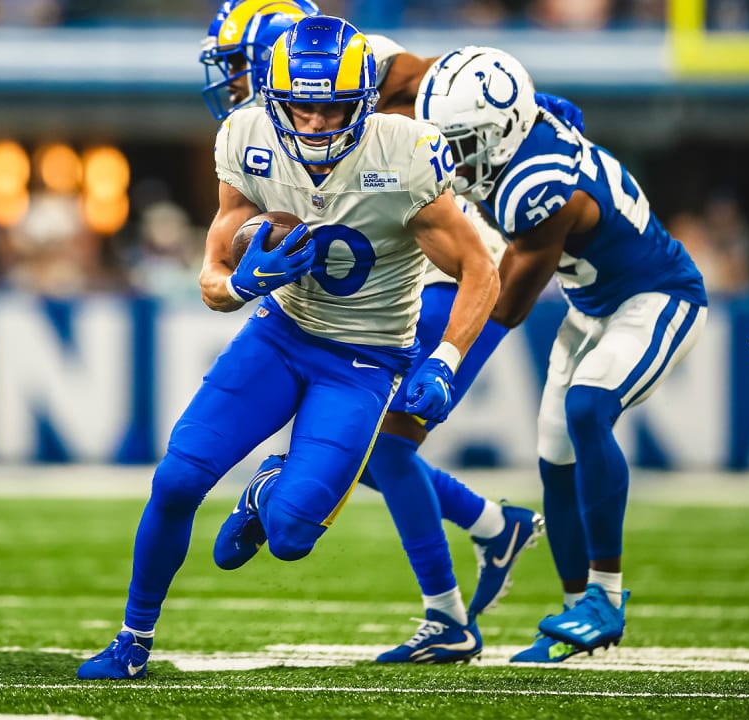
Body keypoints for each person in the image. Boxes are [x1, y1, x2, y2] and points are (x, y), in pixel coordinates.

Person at [78, 15, 498, 680]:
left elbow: (481, 269)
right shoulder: (245, 133)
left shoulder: (406, 151)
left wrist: (444, 360)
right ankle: (132, 640)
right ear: (272, 103)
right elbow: (213, 276)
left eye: (332, 110)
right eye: (299, 108)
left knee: (294, 536)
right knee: (177, 479)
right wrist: (238, 283)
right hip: (279, 335)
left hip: (364, 359)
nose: (313, 125)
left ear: (365, 103)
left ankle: (266, 487)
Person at [199, 2, 570, 664]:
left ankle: (455, 598)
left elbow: (457, 83)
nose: (229, 81)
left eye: (232, 63)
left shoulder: (360, 65)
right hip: (405, 280)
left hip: (444, 278)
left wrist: (533, 116)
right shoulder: (276, 122)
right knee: (380, 452)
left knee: (380, 448)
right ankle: (488, 539)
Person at [416, 46, 708, 661]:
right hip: (593, 303)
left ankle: (606, 596)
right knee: (554, 448)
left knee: (587, 408)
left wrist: (437, 353)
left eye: (459, 140)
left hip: (657, 297)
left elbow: (507, 305)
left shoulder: (538, 187)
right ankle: (579, 608)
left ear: (499, 135)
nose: (446, 154)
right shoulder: (522, 135)